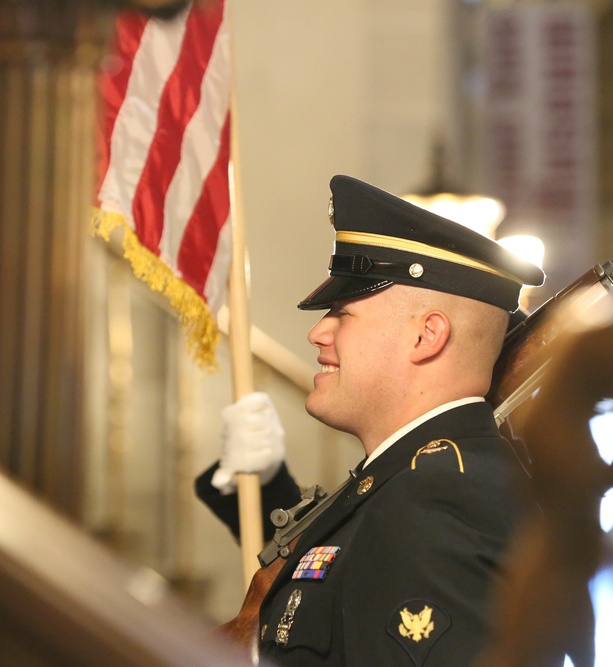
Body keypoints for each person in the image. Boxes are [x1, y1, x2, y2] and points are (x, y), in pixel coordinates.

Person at [195, 174, 545, 666]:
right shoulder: (414, 481)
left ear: (426, 336)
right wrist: (269, 490)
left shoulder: (436, 500)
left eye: (343, 313)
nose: (318, 332)